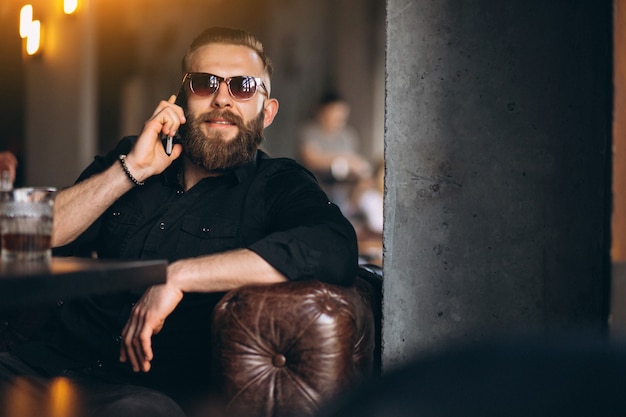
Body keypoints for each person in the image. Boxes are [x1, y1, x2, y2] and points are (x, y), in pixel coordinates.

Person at [0, 27, 358, 417]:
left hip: (143, 394)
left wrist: (177, 276)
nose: (222, 97)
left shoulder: (278, 185)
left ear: (266, 111)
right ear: (183, 99)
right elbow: (28, 237)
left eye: (242, 86)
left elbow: (332, 246)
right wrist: (130, 170)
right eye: (205, 83)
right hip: (37, 364)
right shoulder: (130, 157)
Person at [298, 92, 372, 213]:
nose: (338, 118)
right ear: (322, 112)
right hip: (314, 188)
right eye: (333, 113)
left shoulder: (347, 136)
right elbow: (310, 159)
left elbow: (356, 164)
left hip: (342, 192)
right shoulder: (310, 132)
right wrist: (342, 158)